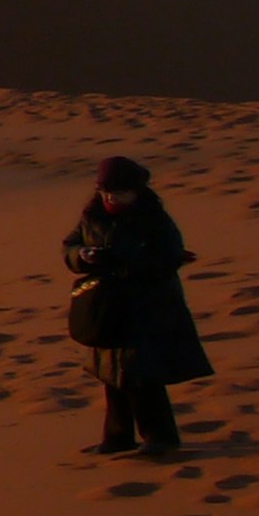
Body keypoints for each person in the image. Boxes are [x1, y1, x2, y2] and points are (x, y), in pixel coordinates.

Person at [64, 154, 211, 455]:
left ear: (136, 191)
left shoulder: (153, 217)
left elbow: (169, 257)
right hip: (107, 307)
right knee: (112, 376)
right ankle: (117, 437)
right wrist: (83, 255)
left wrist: (124, 263)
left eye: (118, 192)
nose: (110, 197)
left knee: (145, 375)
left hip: (147, 308)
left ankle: (161, 438)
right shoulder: (93, 214)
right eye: (105, 191)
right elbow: (70, 246)